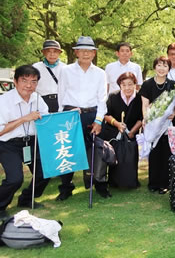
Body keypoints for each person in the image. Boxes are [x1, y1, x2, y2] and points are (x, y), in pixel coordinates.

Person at [56, 36, 109, 200]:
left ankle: (100, 184)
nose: (86, 53)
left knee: (96, 151)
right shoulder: (66, 71)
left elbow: (102, 99)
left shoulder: (100, 73)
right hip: (71, 114)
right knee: (67, 152)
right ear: (76, 52)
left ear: (94, 53)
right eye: (82, 50)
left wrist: (99, 120)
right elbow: (61, 94)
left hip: (92, 114)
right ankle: (65, 188)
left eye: (89, 50)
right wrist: (62, 115)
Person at [0, 65, 50, 218]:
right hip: (8, 144)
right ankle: (1, 205)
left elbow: (46, 119)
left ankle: (26, 199)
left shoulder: (37, 98)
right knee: (15, 178)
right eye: (24, 80)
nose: (29, 85)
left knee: (45, 172)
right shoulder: (4, 101)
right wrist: (24, 119)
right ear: (15, 81)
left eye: (33, 81)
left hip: (31, 142)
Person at [139, 56, 175, 194]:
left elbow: (174, 104)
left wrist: (173, 111)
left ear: (169, 68)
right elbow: (145, 105)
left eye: (165, 66)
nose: (162, 68)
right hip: (152, 124)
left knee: (166, 152)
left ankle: (165, 183)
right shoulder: (147, 84)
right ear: (154, 67)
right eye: (159, 65)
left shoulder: (173, 85)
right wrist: (146, 119)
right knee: (154, 153)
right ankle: (153, 183)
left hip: (167, 125)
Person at [100, 72, 143, 187]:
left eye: (130, 84)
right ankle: (114, 182)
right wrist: (117, 124)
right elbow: (106, 115)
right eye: (124, 85)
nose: (127, 88)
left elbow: (141, 117)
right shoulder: (113, 96)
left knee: (130, 158)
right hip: (114, 132)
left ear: (135, 84)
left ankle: (131, 181)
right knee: (116, 158)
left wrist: (132, 132)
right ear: (120, 86)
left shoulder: (140, 98)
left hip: (131, 134)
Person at [32, 40, 66, 112]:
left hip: (60, 101)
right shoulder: (36, 67)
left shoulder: (65, 68)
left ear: (59, 53)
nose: (52, 54)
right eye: (48, 51)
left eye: (55, 51)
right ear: (44, 53)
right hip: (41, 101)